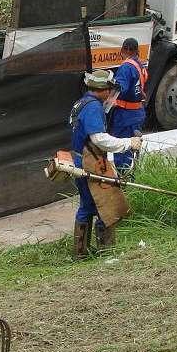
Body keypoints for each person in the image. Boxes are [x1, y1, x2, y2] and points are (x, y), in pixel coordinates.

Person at [69, 70, 142, 258]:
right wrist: (128, 143)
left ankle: (80, 253)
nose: (111, 93)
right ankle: (107, 251)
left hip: (80, 158)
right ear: (102, 89)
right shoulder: (94, 107)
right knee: (106, 204)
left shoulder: (81, 103)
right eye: (109, 89)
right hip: (90, 161)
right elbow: (99, 139)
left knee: (86, 205)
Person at [109, 38, 148, 173]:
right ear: (137, 51)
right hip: (137, 113)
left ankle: (124, 183)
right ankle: (132, 179)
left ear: (123, 50)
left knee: (122, 150)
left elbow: (120, 88)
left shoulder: (126, 67)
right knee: (133, 149)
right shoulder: (139, 65)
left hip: (126, 116)